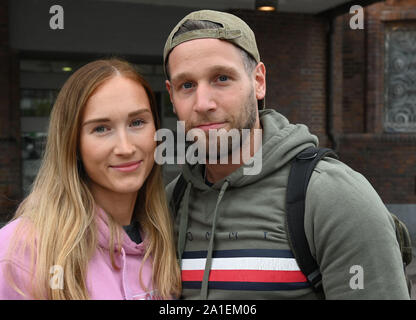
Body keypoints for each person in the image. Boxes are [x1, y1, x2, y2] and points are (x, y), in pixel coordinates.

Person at [163, 10, 410, 299]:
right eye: (187, 85)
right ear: (171, 96)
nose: (203, 103)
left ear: (258, 81)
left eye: (221, 78)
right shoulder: (171, 202)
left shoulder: (332, 196)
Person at [0, 58, 181, 299]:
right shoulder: (22, 251)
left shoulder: (170, 238)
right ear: (72, 143)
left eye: (137, 122)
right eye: (101, 128)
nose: (125, 148)